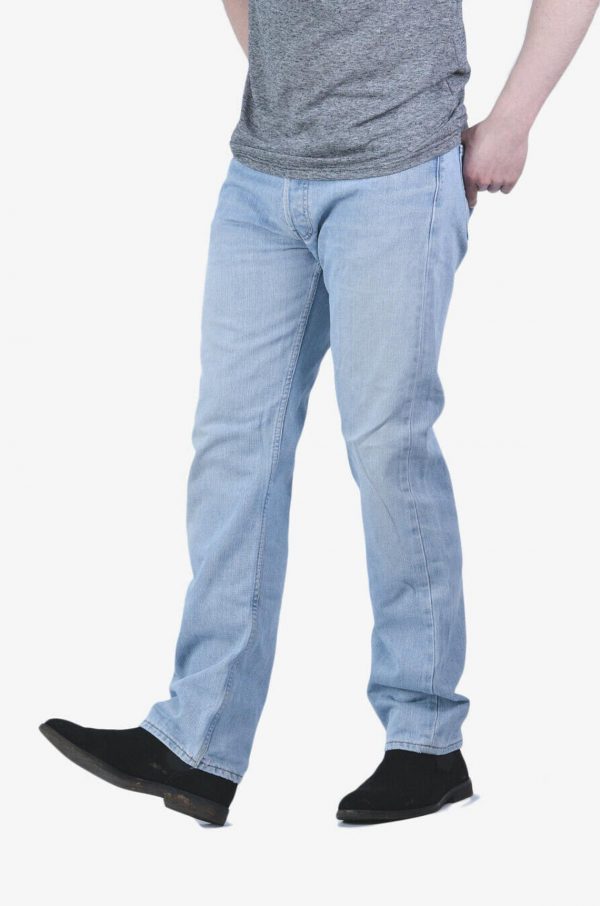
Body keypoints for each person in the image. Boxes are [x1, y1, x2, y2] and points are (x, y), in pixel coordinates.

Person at [40, 0, 598, 826]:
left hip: (398, 169)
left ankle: (426, 744)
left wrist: (512, 121)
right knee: (233, 447)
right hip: (262, 178)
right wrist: (295, 88)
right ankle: (198, 743)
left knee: (386, 443)